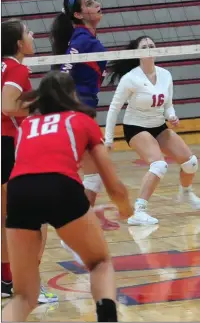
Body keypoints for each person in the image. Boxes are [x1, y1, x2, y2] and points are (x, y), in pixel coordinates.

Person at [2, 71, 133, 322]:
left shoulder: (27, 126)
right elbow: (111, 181)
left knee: (23, 297)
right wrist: (125, 208)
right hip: (61, 187)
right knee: (99, 263)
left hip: (19, 192)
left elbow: (35, 175)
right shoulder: (81, 120)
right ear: (72, 95)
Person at [105, 36, 200, 225]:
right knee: (159, 164)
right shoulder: (130, 78)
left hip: (159, 125)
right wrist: (108, 139)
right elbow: (114, 109)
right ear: (138, 53)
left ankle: (186, 192)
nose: (150, 48)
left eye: (152, 45)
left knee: (191, 163)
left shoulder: (165, 75)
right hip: (136, 127)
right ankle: (138, 212)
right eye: (145, 46)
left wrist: (172, 116)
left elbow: (168, 105)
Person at [1, 19, 58, 304]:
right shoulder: (17, 68)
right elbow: (7, 105)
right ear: (18, 43)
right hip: (9, 145)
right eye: (28, 33)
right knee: (37, 217)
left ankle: (6, 279)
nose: (33, 35)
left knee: (6, 218)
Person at [50, 0, 116, 232]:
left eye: (95, 1)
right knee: (91, 172)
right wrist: (71, 106)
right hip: (77, 111)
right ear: (78, 14)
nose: (97, 4)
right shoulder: (80, 39)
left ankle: (81, 225)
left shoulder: (87, 38)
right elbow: (65, 70)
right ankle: (79, 227)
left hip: (83, 109)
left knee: (89, 173)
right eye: (89, 4)